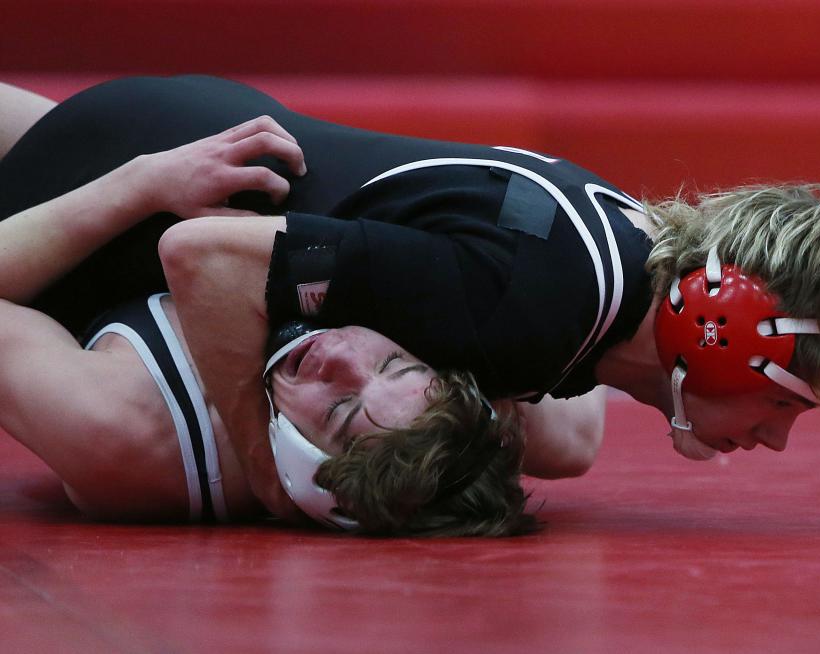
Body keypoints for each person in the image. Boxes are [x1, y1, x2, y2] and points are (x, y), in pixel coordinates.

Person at [2, 75, 820, 523]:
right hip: (138, 193)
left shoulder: (623, 263)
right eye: (782, 403)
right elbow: (205, 258)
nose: (773, 438)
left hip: (192, 128)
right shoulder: (526, 302)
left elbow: (554, 403)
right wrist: (264, 466)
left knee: (566, 440)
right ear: (721, 328)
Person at [0, 106, 544, 535]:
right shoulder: (461, 407)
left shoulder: (131, 430)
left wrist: (137, 185)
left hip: (45, 203)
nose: (342, 354)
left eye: (339, 408)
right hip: (158, 142)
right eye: (395, 362)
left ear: (298, 473)